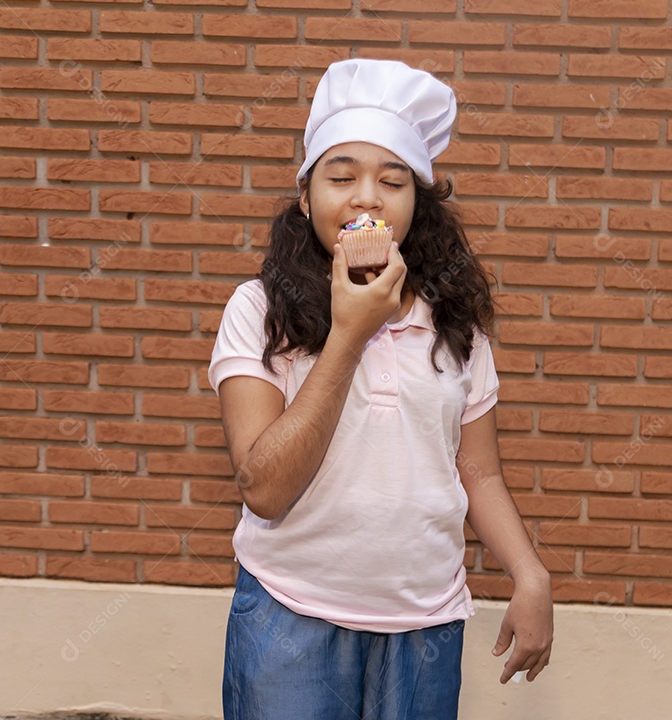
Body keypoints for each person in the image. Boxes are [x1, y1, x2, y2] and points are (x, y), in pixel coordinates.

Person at [208, 58, 554, 720]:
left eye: (392, 180)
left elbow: (477, 473)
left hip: (425, 626)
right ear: (306, 197)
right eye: (342, 176)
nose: (367, 196)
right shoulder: (259, 310)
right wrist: (348, 334)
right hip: (289, 614)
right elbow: (265, 488)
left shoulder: (454, 326)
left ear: (414, 204)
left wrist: (529, 574)